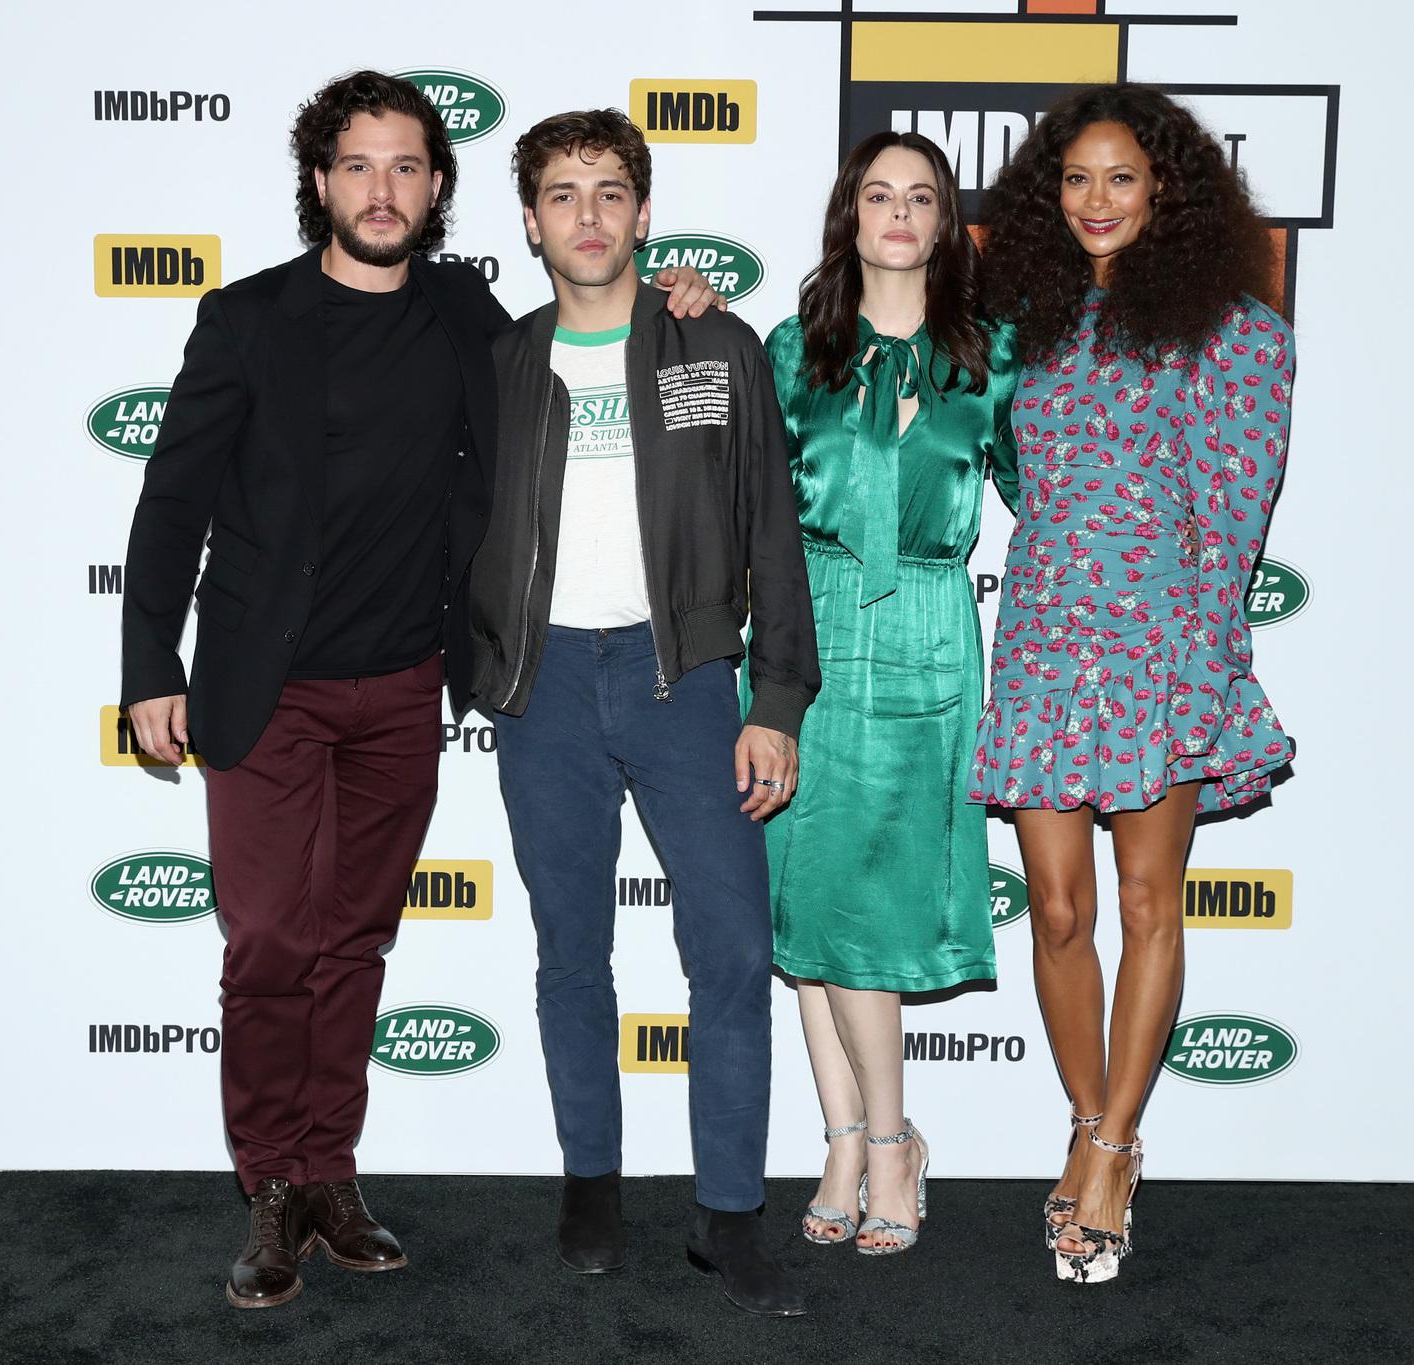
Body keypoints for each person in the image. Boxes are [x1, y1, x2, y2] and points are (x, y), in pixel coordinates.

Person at [118, 71, 721, 1311]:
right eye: (356, 167)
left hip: (401, 689)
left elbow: (591, 315)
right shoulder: (244, 322)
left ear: (436, 188)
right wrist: (145, 671)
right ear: (319, 183)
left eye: (404, 167)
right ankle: (269, 1189)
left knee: (355, 940)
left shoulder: (466, 315)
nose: (380, 190)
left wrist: (685, 306)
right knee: (272, 942)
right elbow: (169, 504)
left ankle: (330, 1173)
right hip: (263, 689)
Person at [465, 108, 820, 1317]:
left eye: (610, 191)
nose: (587, 215)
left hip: (687, 687)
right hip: (546, 689)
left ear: (644, 212)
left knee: (725, 954)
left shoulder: (711, 346)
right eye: (561, 194)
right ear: (528, 221)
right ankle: (591, 1184)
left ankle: (728, 1215)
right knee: (573, 952)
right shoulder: (498, 366)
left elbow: (772, 527)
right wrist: (487, 670)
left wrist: (774, 698)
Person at [972, 83, 1297, 1284]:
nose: (1096, 200)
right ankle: (1080, 1115)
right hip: (1047, 633)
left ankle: (1111, 1152)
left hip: (1162, 646)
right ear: (1044, 198)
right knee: (1055, 910)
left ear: (1164, 189)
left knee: (1148, 901)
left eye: (1120, 177)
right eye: (1074, 179)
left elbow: (1234, 520)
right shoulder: (1021, 325)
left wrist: (1210, 666)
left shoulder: (1240, 336)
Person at [760, 131, 1015, 1256]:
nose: (898, 213)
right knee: (805, 902)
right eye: (878, 194)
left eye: (920, 196)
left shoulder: (992, 357)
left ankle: (890, 1139)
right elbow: (735, 492)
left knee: (867, 907)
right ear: (847, 216)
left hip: (924, 625)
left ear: (943, 222)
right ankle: (848, 1139)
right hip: (802, 633)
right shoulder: (791, 347)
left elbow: (1055, 493)